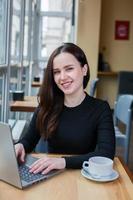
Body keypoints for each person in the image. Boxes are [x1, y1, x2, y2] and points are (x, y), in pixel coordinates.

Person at [15, 43, 115, 175]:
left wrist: (63, 162)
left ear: (84, 69)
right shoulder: (47, 105)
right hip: (50, 175)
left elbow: (106, 154)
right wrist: (20, 145)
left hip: (84, 176)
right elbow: (29, 139)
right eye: (56, 72)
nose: (62, 77)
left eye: (69, 69)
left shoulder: (101, 109)